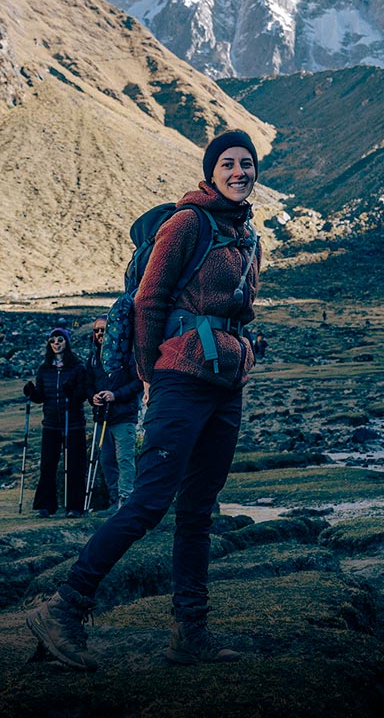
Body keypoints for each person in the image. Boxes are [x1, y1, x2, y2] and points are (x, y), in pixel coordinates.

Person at [27, 131, 262, 672]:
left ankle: (191, 633)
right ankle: (65, 606)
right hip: (180, 379)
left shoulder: (247, 235)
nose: (238, 171)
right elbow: (150, 298)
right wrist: (151, 373)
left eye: (246, 164)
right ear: (211, 172)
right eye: (227, 163)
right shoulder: (187, 224)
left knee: (199, 510)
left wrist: (244, 350)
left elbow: (237, 310)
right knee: (150, 501)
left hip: (226, 385)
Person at [24, 327, 89, 518]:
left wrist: (72, 393)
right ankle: (46, 506)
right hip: (51, 424)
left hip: (73, 424)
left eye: (60, 340)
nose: (56, 343)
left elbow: (82, 394)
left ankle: (74, 507)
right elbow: (40, 397)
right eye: (52, 340)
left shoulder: (77, 367)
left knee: (74, 464)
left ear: (67, 342)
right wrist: (31, 392)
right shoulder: (45, 369)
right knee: (48, 464)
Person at [86, 316, 142, 511]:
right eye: (97, 331)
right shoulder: (93, 358)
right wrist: (92, 397)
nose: (100, 333)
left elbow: (138, 383)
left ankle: (126, 502)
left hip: (123, 416)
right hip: (102, 418)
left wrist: (115, 395)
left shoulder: (127, 355)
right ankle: (113, 501)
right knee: (107, 460)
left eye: (104, 329)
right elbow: (89, 385)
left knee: (124, 460)